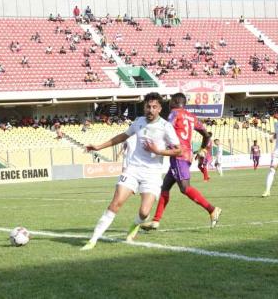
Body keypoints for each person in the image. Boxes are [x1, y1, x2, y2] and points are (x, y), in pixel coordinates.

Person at [80, 92, 182, 250]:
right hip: (133, 169)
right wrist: (98, 147)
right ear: (144, 107)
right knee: (116, 203)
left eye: (154, 107)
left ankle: (135, 226)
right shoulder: (139, 121)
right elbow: (122, 136)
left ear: (160, 109)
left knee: (144, 212)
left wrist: (159, 151)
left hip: (152, 174)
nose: (150, 109)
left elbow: (178, 151)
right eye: (148, 106)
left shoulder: (165, 127)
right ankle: (92, 240)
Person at [140, 93, 222, 231]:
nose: (169, 103)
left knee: (185, 188)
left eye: (171, 100)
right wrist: (202, 148)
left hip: (178, 155)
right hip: (187, 154)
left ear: (176, 101)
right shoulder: (192, 117)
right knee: (165, 187)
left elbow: (166, 127)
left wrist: (156, 144)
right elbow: (206, 134)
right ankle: (155, 221)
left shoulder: (174, 113)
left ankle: (212, 209)